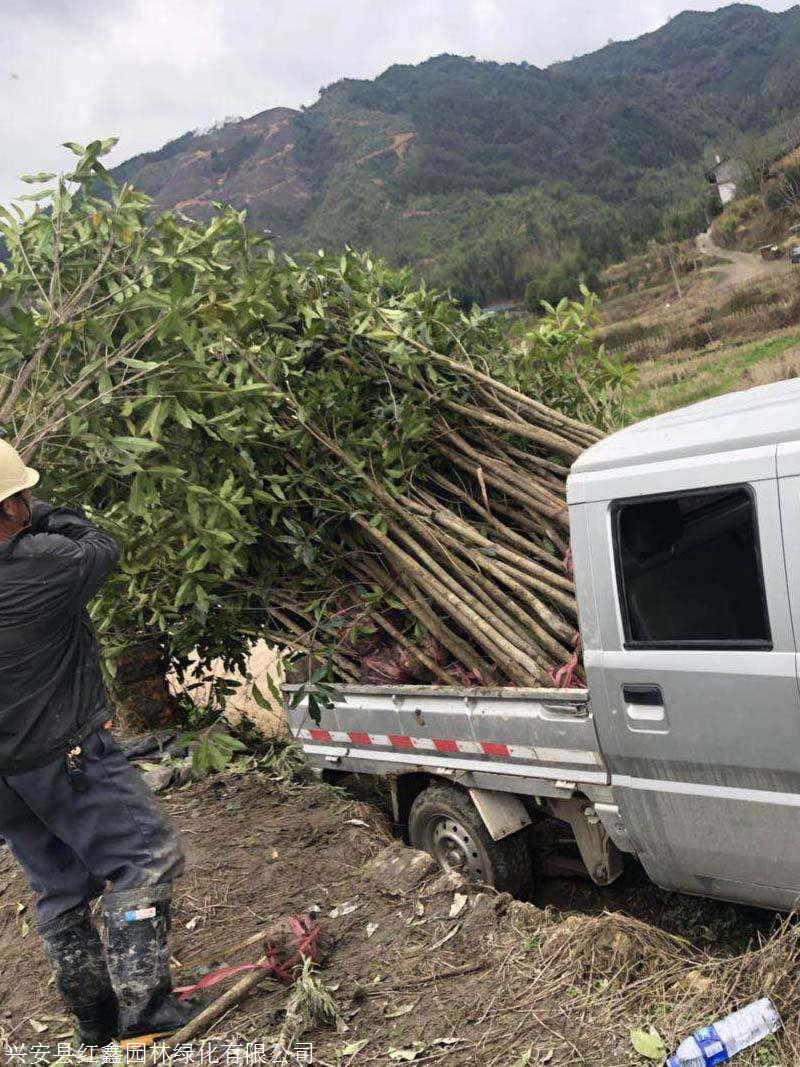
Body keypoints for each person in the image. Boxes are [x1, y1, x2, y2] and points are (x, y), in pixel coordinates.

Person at [0, 439, 197, 1046]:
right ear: (11, 509)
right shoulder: (41, 564)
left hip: (5, 774)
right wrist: (46, 510)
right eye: (22, 494)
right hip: (63, 753)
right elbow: (101, 546)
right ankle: (145, 1010)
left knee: (58, 884)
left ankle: (95, 1020)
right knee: (144, 858)